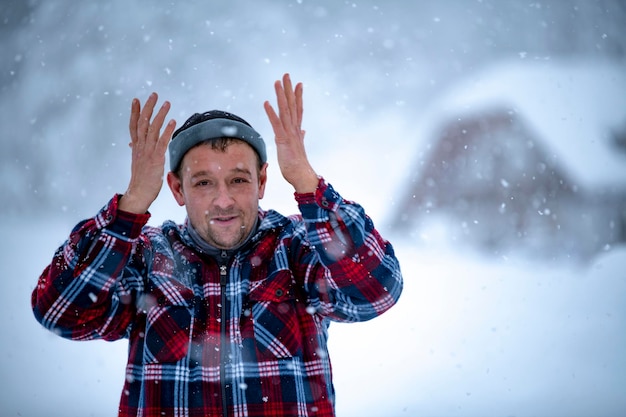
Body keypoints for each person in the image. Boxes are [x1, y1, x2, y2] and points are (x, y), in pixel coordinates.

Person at [32, 73, 403, 417]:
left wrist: (308, 183)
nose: (223, 200)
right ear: (177, 188)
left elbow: (376, 292)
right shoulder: (147, 257)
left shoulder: (296, 248)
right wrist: (131, 206)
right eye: (204, 183)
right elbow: (61, 313)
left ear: (261, 183)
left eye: (238, 180)